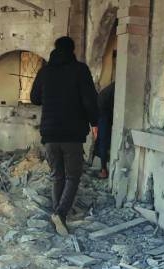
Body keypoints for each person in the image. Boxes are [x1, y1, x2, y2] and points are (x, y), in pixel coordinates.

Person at [29, 36, 98, 236]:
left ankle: (56, 212)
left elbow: (34, 98)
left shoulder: (45, 71)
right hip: (72, 132)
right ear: (72, 50)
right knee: (73, 176)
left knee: (56, 175)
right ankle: (60, 213)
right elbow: (89, 100)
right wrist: (95, 122)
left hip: (49, 133)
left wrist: (51, 96)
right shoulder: (80, 70)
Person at [96, 80, 115, 179]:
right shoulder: (117, 87)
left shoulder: (113, 87)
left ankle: (103, 168)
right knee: (103, 139)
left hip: (103, 111)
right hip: (103, 111)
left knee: (103, 139)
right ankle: (103, 169)